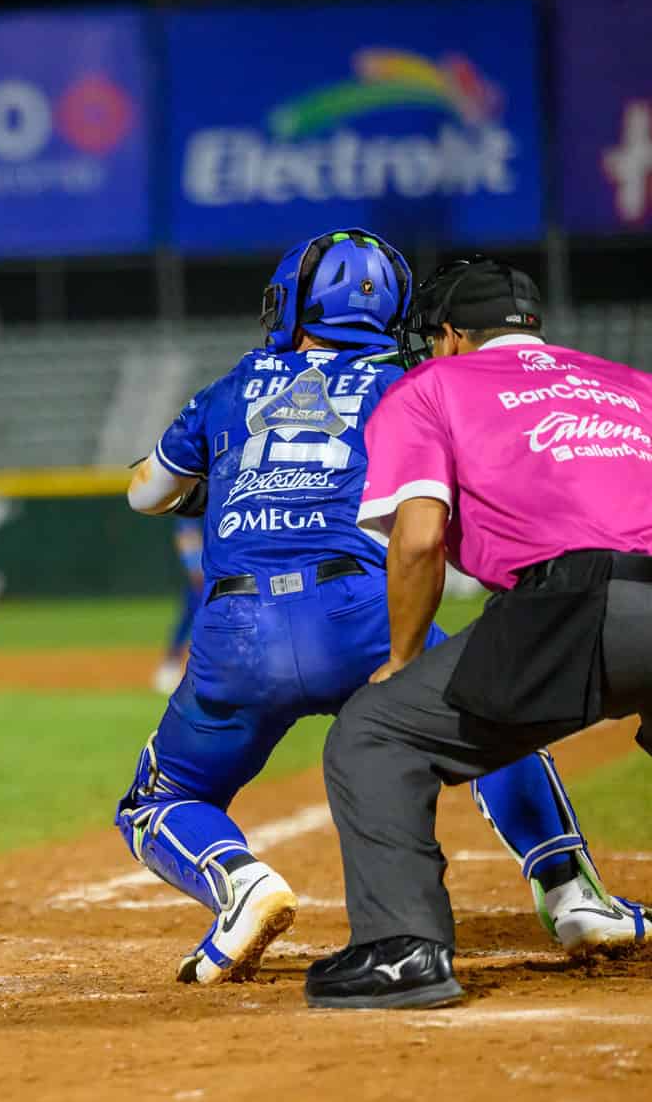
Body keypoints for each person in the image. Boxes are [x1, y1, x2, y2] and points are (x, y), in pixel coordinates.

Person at [119, 230, 638, 988]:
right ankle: (571, 893)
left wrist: (216, 485)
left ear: (292, 303)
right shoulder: (415, 379)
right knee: (501, 705)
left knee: (161, 798)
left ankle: (240, 883)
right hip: (361, 614)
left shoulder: (233, 386)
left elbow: (146, 493)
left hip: (237, 631)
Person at [306, 257, 652, 1010]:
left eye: (434, 337)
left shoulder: (430, 386)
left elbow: (420, 538)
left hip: (577, 604)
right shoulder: (631, 384)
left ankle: (402, 952)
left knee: (377, 734)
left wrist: (402, 658)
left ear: (455, 336)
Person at [152, 518, 205, 695]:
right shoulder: (192, 506)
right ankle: (171, 664)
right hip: (205, 577)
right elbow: (186, 536)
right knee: (189, 616)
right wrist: (196, 569)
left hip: (221, 573)